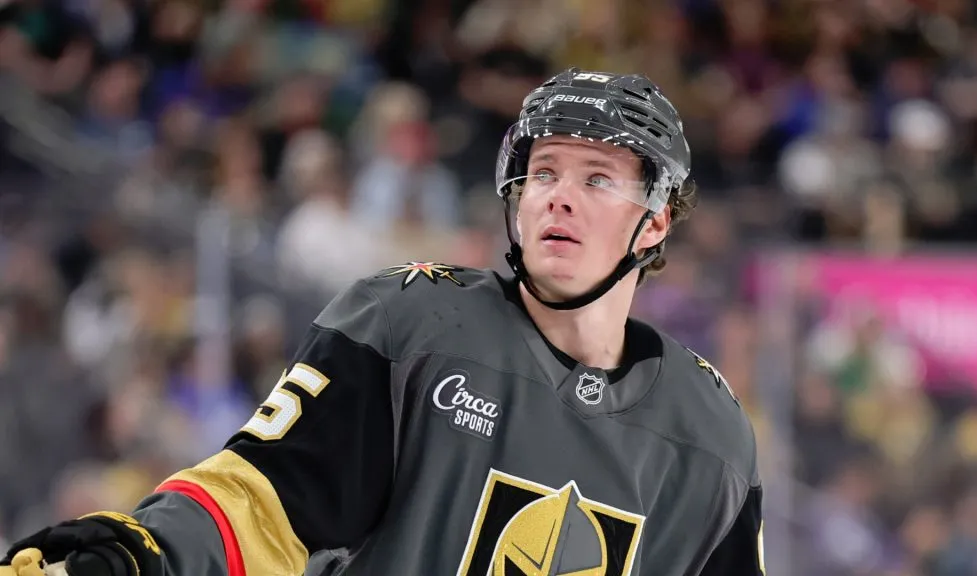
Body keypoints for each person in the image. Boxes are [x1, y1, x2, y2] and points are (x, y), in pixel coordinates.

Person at [1, 68, 765, 576]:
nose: (557, 197)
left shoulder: (710, 435)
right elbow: (260, 502)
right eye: (544, 173)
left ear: (657, 223)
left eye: (597, 178)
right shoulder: (411, 325)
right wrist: (138, 558)